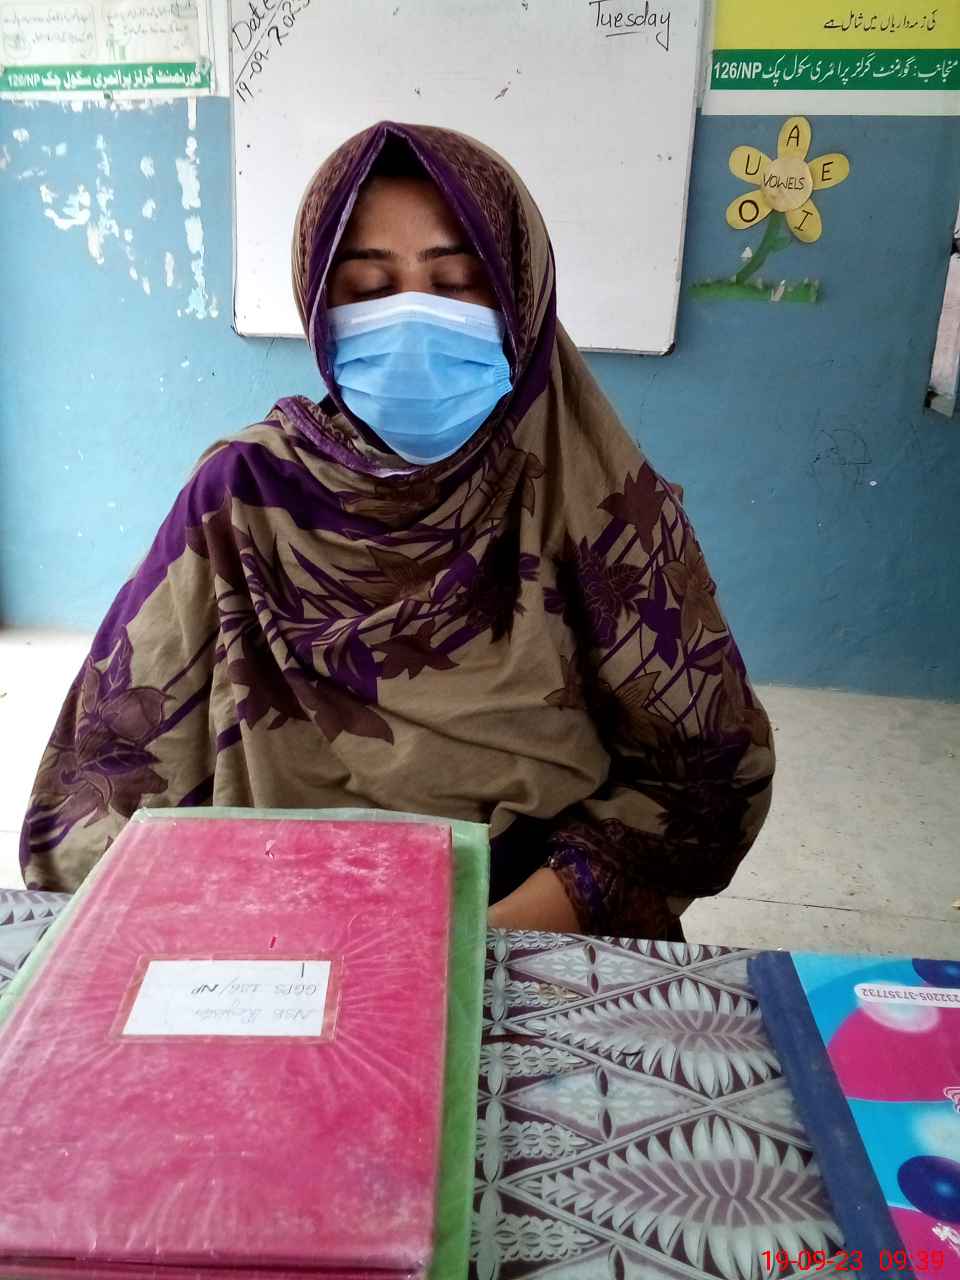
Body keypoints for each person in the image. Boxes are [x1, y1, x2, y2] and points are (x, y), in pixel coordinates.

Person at [20, 122, 774, 938]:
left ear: (519, 299)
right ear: (320, 307)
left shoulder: (597, 507)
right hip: (269, 932)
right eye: (369, 289)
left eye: (456, 283)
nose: (413, 324)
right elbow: (97, 787)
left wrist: (482, 939)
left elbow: (703, 786)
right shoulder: (240, 501)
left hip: (527, 924)